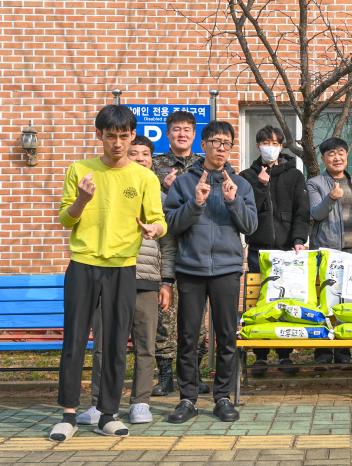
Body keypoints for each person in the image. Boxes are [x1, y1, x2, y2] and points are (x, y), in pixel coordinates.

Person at [50, 105, 166, 441]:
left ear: (132, 135)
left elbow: (159, 219)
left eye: (123, 136)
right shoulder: (80, 170)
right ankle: (69, 414)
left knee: (116, 342)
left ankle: (108, 414)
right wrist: (82, 201)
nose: (117, 143)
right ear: (99, 135)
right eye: (110, 136)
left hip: (123, 267)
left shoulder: (145, 177)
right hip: (84, 264)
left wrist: (153, 229)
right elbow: (65, 219)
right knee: (74, 339)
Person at [76, 136, 177, 426]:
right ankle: (99, 402)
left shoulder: (156, 193)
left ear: (152, 159)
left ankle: (140, 401)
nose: (140, 158)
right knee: (104, 344)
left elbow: (168, 244)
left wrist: (166, 281)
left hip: (145, 279)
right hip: (109, 275)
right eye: (134, 153)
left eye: (146, 154)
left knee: (145, 344)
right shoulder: (112, 187)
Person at [164, 121, 257, 424]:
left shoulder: (240, 184)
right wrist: (196, 203)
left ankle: (223, 397)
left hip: (227, 269)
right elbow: (172, 225)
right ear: (203, 144)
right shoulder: (183, 182)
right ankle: (188, 398)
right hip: (191, 268)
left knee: (227, 335)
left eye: (227, 143)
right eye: (215, 141)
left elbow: (250, 226)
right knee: (188, 336)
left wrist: (232, 202)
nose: (221, 147)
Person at [239, 125, 310, 377]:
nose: (270, 146)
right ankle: (259, 355)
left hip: (287, 250)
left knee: (284, 300)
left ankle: (284, 354)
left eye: (274, 142)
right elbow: (245, 211)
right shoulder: (247, 175)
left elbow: (302, 211)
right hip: (259, 249)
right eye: (265, 142)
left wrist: (299, 239)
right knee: (259, 301)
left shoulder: (294, 175)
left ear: (281, 146)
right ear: (258, 145)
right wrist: (259, 185)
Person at [150, 110, 209, 397]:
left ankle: (194, 373)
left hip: (198, 246)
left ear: (194, 133)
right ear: (168, 132)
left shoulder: (204, 164)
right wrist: (165, 187)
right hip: (167, 246)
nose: (182, 134)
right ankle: (165, 376)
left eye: (187, 129)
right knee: (166, 314)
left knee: (196, 316)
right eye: (176, 129)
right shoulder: (155, 165)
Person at [307, 137, 352, 366]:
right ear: (323, 158)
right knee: (325, 300)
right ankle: (322, 351)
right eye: (331, 154)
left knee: (348, 301)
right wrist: (331, 198)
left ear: (347, 155)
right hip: (329, 251)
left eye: (341, 152)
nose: (337, 157)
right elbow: (315, 214)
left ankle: (344, 351)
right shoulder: (315, 183)